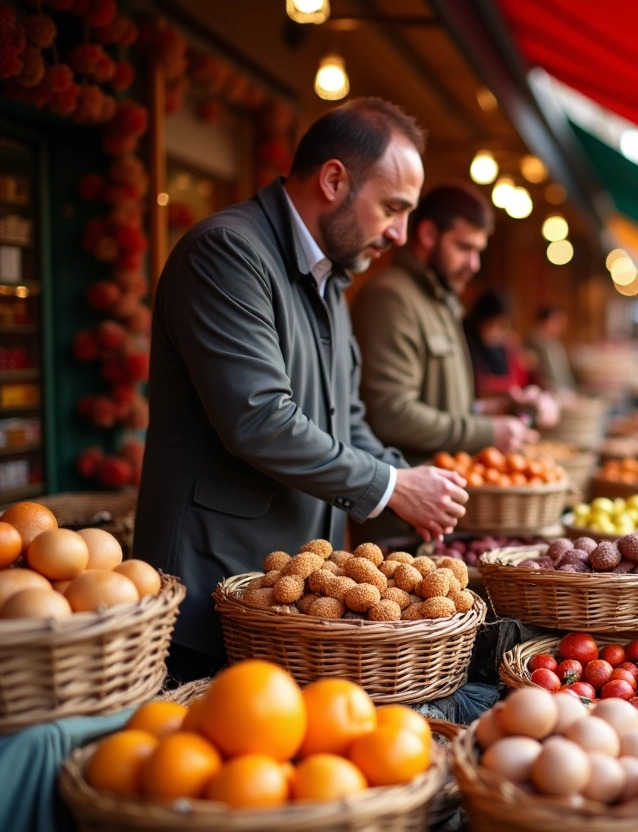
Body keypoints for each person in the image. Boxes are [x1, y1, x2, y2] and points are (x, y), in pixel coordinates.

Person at [134, 98, 469, 683]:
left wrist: (410, 489)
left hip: (295, 605)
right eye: (393, 208)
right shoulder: (226, 252)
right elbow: (258, 419)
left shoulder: (332, 279)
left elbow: (351, 418)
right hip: (207, 596)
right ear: (335, 179)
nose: (400, 233)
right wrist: (390, 484)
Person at [351, 184, 538, 547]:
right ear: (427, 233)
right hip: (400, 522)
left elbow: (439, 404)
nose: (474, 264)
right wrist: (487, 433)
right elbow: (389, 413)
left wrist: (495, 408)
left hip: (440, 511)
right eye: (464, 247)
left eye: (478, 251)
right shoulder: (390, 297)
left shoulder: (440, 300)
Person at [464, 289, 528, 398]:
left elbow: (514, 380)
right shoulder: (466, 340)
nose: (499, 332)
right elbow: (478, 383)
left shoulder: (503, 345)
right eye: (496, 324)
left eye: (503, 326)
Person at [525, 306, 576, 392]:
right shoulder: (533, 342)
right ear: (548, 321)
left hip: (563, 391)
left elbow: (564, 373)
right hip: (546, 392)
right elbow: (537, 375)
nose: (561, 328)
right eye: (558, 322)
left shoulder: (555, 343)